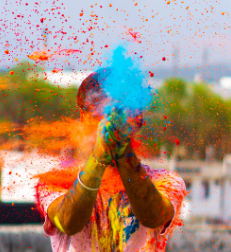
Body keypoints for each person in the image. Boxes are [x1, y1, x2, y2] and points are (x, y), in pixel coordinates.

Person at [36, 68, 187, 252]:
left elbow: (153, 217)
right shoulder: (56, 182)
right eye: (96, 115)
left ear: (137, 121)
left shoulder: (165, 181)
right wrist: (100, 154)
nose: (105, 124)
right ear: (82, 118)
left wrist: (121, 148)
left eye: (118, 117)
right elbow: (68, 222)